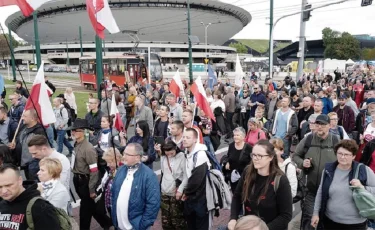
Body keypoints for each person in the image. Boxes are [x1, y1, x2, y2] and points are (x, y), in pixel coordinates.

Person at [228, 140, 293, 230]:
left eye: (260, 156)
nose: (255, 158)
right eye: (253, 155)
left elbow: (286, 215)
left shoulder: (281, 180)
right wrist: (233, 218)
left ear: (270, 157)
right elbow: (237, 196)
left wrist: (264, 228)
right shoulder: (247, 172)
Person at [311, 139, 375, 230]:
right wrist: (315, 213)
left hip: (355, 224)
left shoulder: (364, 170)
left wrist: (362, 187)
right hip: (330, 221)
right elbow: (320, 192)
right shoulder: (328, 170)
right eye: (340, 153)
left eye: (346, 154)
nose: (342, 157)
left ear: (353, 156)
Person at [293, 114, 340, 230]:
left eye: (323, 124)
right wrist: (302, 163)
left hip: (329, 190)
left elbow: (344, 160)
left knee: (326, 218)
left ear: (329, 126)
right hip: (310, 189)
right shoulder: (308, 139)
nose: (319, 127)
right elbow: (296, 155)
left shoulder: (335, 140)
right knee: (309, 219)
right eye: (318, 124)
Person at [69, 118, 112, 230]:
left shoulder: (88, 149)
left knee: (85, 210)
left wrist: (92, 189)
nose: (73, 133)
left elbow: (94, 170)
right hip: (78, 180)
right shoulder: (76, 144)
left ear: (83, 131)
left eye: (76, 130)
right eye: (72, 130)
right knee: (92, 208)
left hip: (86, 182)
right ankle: (107, 223)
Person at [111, 143, 160, 230]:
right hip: (119, 226)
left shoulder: (149, 176)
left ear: (137, 157)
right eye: (124, 153)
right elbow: (114, 194)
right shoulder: (121, 170)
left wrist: (142, 226)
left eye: (127, 154)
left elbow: (153, 204)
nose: (123, 156)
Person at [0, 164, 60, 229]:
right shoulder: (2, 204)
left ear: (20, 181)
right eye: (0, 187)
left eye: (8, 185)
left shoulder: (40, 208)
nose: (4, 191)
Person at [179, 128, 212, 230]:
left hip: (200, 199)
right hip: (191, 199)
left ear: (195, 139)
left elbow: (196, 180)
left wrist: (186, 193)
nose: (184, 139)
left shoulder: (200, 154)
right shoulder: (187, 152)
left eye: (188, 137)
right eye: (183, 137)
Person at [9, 109, 46, 180]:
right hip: (24, 163)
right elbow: (18, 138)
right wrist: (15, 143)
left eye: (25, 116)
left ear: (32, 118)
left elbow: (42, 148)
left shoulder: (39, 131)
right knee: (29, 180)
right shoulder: (23, 127)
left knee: (35, 183)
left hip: (34, 164)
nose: (22, 118)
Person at [160, 140, 187, 230]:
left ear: (175, 148)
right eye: (166, 151)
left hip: (176, 191)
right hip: (164, 191)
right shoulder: (163, 156)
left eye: (170, 150)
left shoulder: (181, 156)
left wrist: (180, 190)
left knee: (177, 219)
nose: (168, 153)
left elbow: (186, 176)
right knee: (166, 220)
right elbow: (164, 172)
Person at [225, 127, 252, 191]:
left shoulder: (249, 148)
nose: (235, 137)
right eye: (234, 135)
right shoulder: (231, 145)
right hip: (233, 177)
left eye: (237, 135)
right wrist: (227, 162)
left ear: (243, 137)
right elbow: (228, 156)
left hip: (245, 178)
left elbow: (252, 162)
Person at [99, 148, 122, 219]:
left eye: (109, 162)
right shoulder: (112, 170)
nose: (108, 165)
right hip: (111, 205)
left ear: (116, 159)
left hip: (118, 208)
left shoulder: (122, 172)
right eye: (107, 162)